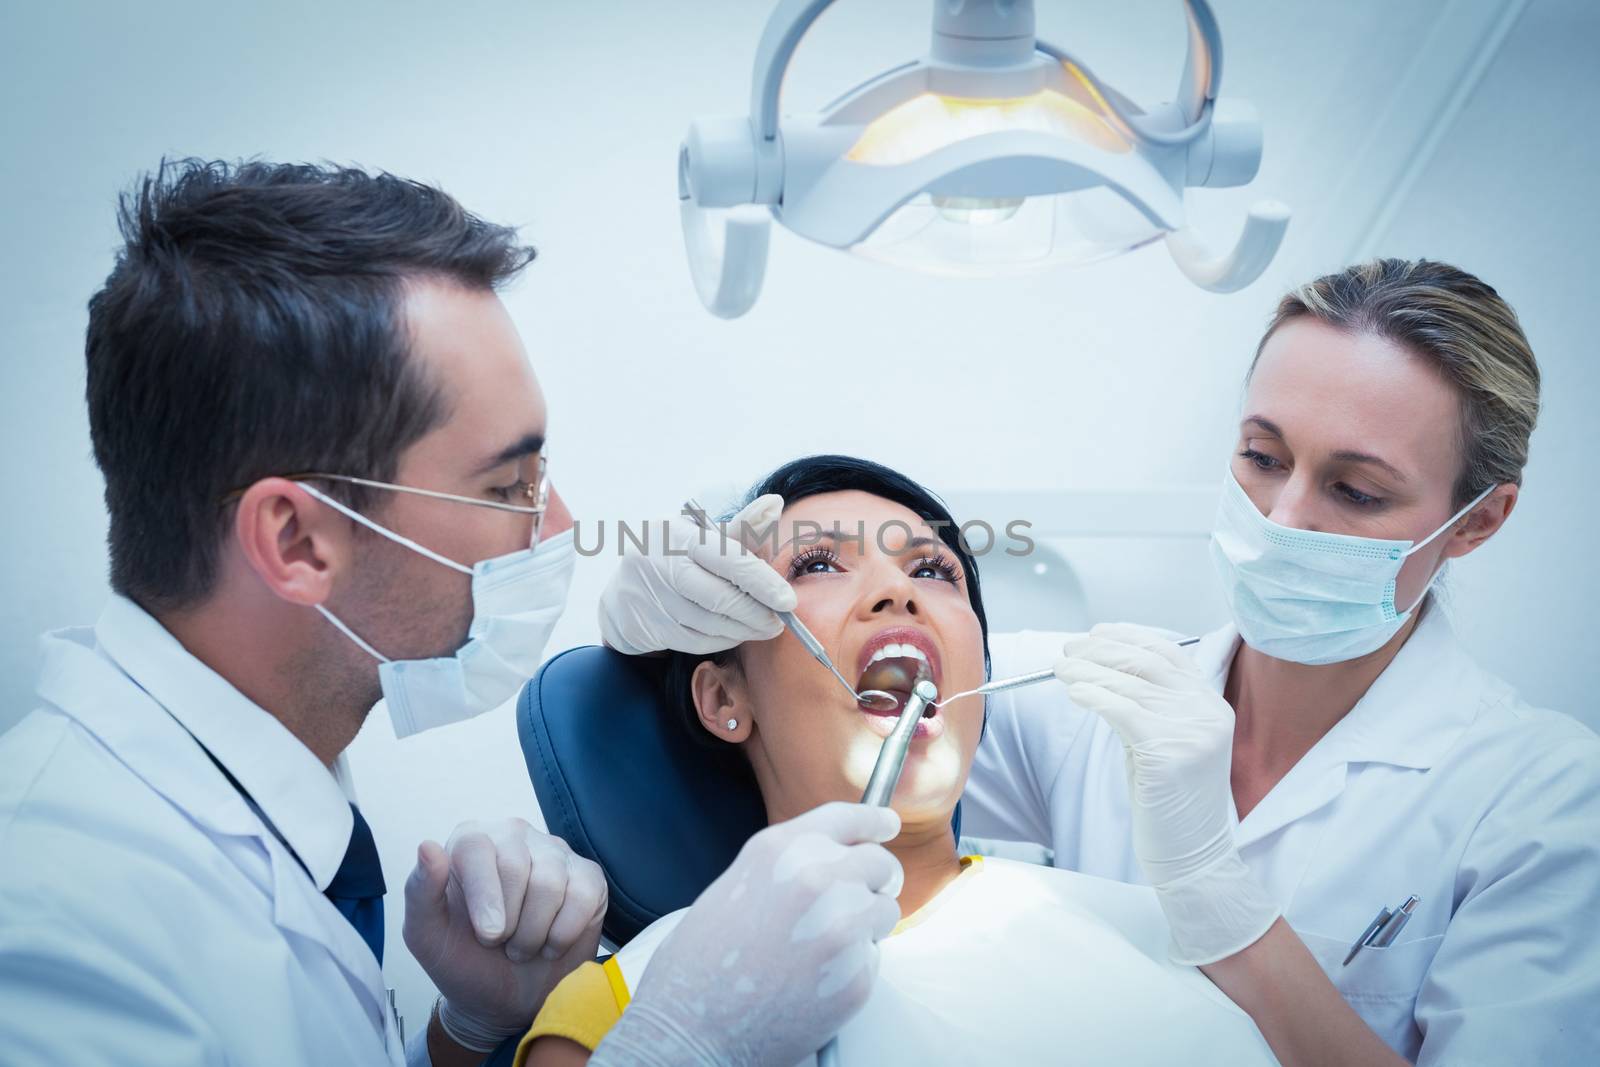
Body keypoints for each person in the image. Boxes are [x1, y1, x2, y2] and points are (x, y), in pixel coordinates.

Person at [0, 160, 906, 1067]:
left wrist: (461, 1036)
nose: (560, 527)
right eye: (508, 485)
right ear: (298, 541)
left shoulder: (246, 802)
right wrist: (676, 1045)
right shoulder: (54, 935)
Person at [598, 260, 1600, 1064]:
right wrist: (644, 616)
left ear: (1479, 521)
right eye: (1260, 454)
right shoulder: (1066, 691)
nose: (1282, 513)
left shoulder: (1540, 799)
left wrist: (1222, 898)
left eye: (1356, 489)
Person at [523, 455, 1277, 1065]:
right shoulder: (641, 1004)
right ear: (724, 697)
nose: (894, 591)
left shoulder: (1166, 937)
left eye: (933, 571)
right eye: (818, 563)